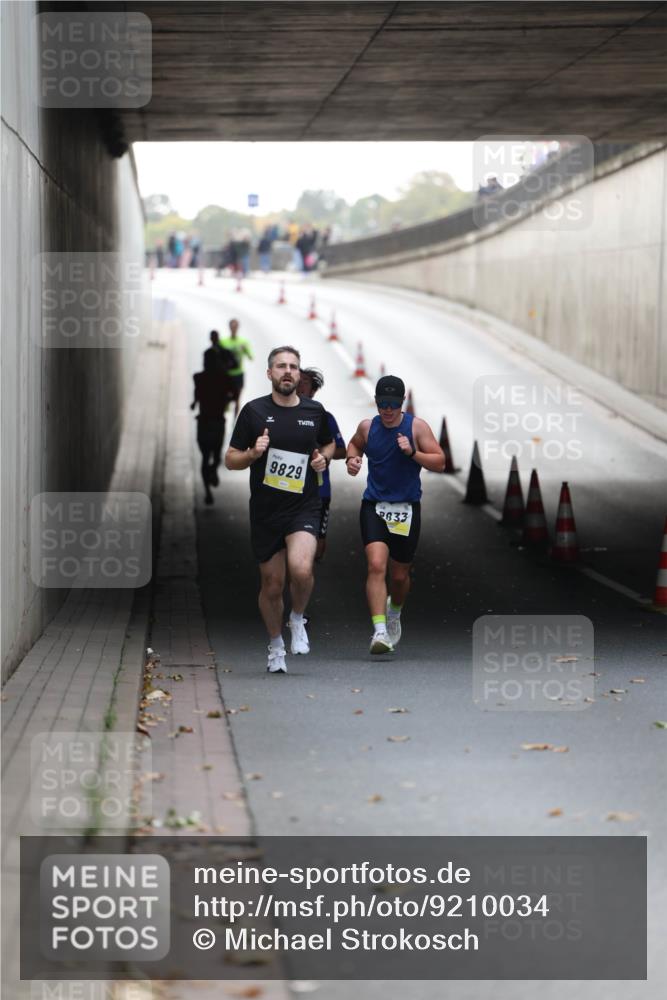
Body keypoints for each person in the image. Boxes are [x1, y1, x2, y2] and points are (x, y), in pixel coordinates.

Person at [225, 347, 335, 674]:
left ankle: (297, 618)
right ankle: (275, 646)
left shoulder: (315, 411)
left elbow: (328, 444)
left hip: (304, 506)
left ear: (299, 375)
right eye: (281, 366)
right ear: (269, 373)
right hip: (266, 510)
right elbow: (230, 459)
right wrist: (252, 455)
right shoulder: (254, 412)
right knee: (272, 586)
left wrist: (323, 458)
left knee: (301, 570)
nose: (287, 371)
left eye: (293, 367)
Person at [346, 375, 445, 654]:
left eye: (392, 404)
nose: (387, 410)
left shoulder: (416, 427)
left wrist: (412, 453)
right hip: (374, 505)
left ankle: (394, 612)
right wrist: (353, 460)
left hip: (406, 508)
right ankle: (379, 632)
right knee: (376, 565)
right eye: (382, 404)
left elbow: (439, 461)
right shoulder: (368, 427)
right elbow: (354, 445)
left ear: (401, 403)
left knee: (399, 577)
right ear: (376, 402)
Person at [297, 367, 346, 562]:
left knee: (317, 548)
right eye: (297, 381)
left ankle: (303, 576)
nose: (300, 385)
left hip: (319, 491)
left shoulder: (324, 418)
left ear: (313, 391)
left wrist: (322, 453)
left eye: (305, 383)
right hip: (288, 492)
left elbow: (342, 451)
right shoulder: (279, 415)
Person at [191, 350, 235, 505]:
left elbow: (196, 395)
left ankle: (208, 492)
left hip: (204, 422)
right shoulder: (225, 379)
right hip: (217, 422)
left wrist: (195, 403)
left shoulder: (198, 377)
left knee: (205, 456)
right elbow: (232, 396)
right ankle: (213, 471)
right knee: (216, 456)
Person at [220, 318, 254, 417]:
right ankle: (223, 415)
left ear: (238, 328)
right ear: (229, 327)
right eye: (232, 326)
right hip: (226, 374)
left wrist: (245, 349)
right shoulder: (223, 342)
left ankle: (235, 422)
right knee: (225, 398)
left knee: (237, 399)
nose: (234, 328)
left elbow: (251, 357)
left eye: (235, 326)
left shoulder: (243, 342)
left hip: (238, 374)